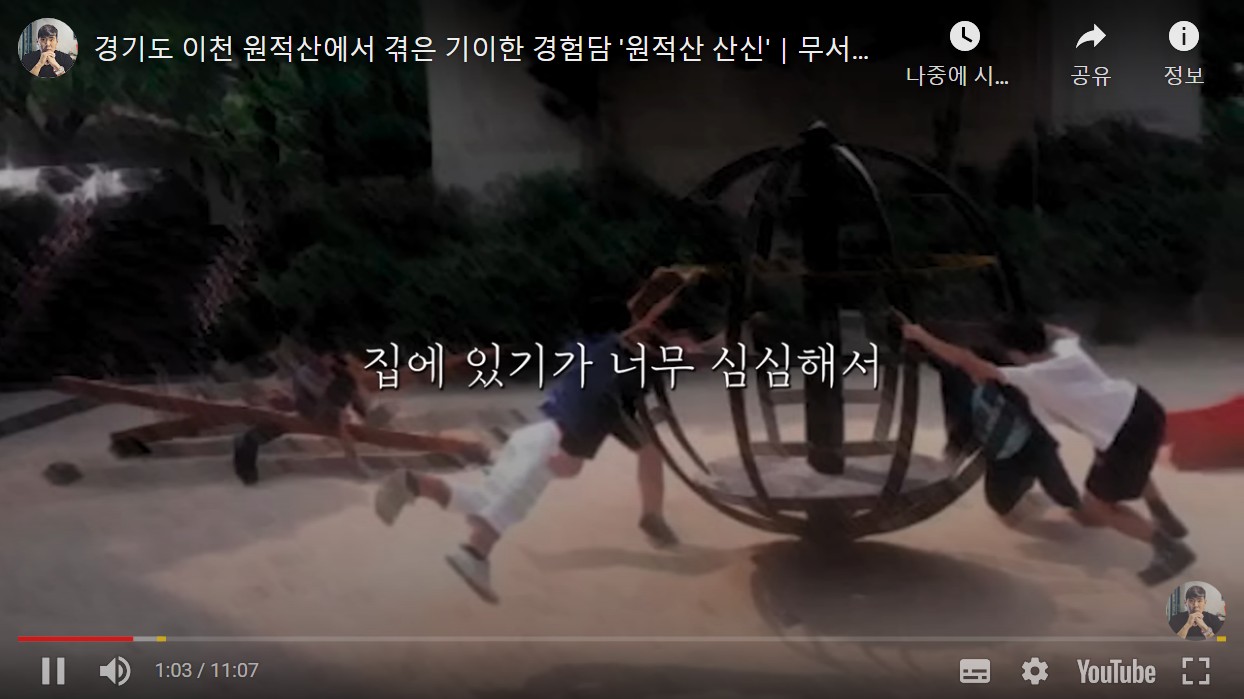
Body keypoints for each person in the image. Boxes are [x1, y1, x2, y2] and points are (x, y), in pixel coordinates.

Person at [373, 289, 720, 604]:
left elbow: (640, 330)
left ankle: (414, 485)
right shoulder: (625, 353)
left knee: (491, 497)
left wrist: (673, 305)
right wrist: (687, 312)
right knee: (511, 502)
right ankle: (474, 554)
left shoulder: (588, 348)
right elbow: (664, 340)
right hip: (550, 439)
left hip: (539, 432)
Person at [900, 315, 1194, 585]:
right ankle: (1162, 512)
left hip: (1121, 432)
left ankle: (1168, 548)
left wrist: (922, 336)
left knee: (1098, 507)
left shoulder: (1034, 375)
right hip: (1143, 406)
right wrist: (1031, 327)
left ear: (1016, 353)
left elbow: (967, 362)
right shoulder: (1068, 352)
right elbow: (1064, 332)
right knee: (1131, 462)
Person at [931, 350, 1084, 525]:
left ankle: (1078, 509)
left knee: (1065, 495)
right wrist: (949, 464)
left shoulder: (1009, 382)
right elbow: (962, 432)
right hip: (1001, 457)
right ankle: (1026, 482)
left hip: (1034, 447)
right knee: (1001, 508)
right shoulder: (962, 394)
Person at [232, 331, 369, 485]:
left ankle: (355, 461)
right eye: (327, 357)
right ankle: (248, 468)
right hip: (313, 411)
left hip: (329, 410)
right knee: (259, 432)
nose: (330, 361)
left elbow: (352, 395)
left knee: (341, 414)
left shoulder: (339, 373)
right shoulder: (305, 374)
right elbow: (307, 400)